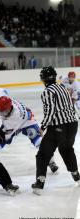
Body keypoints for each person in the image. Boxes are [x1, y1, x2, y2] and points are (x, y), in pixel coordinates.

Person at [32, 66, 79, 195]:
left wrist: (42, 127)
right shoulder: (62, 87)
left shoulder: (47, 92)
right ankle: (76, 174)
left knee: (43, 154)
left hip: (58, 127)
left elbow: (50, 111)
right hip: (73, 125)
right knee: (66, 149)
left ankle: (40, 183)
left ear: (43, 79)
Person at [0, 87, 58, 173]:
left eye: (4, 111)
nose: (1, 114)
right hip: (19, 118)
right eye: (0, 111)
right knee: (0, 139)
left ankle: (51, 161)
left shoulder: (13, 119)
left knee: (38, 141)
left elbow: (6, 137)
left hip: (27, 121)